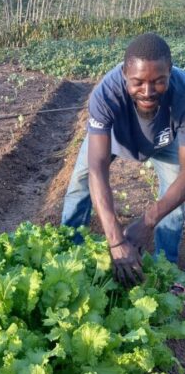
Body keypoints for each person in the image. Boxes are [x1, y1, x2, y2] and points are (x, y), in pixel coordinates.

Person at [61, 33, 185, 286]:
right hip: (115, 137)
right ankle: (68, 254)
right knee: (80, 183)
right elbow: (97, 169)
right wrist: (116, 240)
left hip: (165, 139)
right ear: (125, 73)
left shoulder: (184, 92)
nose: (148, 92)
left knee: (175, 195)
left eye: (159, 81)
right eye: (138, 82)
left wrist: (147, 222)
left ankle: (166, 267)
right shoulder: (106, 93)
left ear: (170, 73)